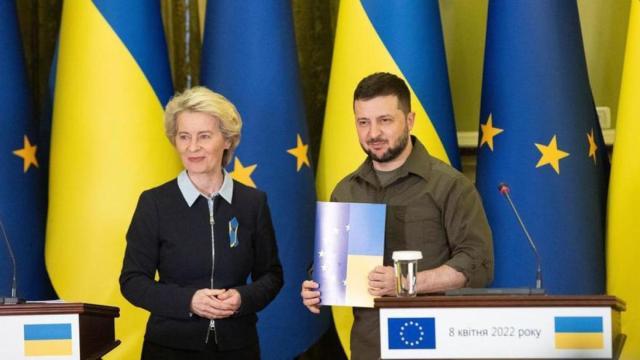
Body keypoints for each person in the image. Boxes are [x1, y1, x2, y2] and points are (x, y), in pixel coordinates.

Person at [301, 72, 493, 359]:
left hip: (437, 343)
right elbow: (335, 266)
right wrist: (317, 286)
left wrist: (405, 283)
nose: (373, 133)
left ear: (410, 120)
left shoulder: (450, 186)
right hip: (370, 346)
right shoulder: (346, 191)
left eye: (385, 120)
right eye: (363, 122)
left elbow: (478, 266)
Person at [120, 86, 283, 359]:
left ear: (227, 140)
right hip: (169, 348)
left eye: (204, 136)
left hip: (238, 348)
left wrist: (243, 298)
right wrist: (189, 301)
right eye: (184, 137)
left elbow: (272, 276)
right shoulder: (154, 203)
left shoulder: (253, 203)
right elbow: (133, 280)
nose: (192, 147)